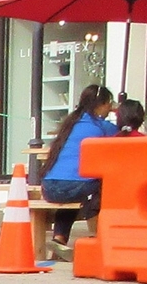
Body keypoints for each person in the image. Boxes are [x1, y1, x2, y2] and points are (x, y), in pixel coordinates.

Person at [38, 84, 116, 257]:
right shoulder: (102, 126)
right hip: (75, 186)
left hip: (50, 187)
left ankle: (59, 239)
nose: (110, 108)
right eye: (109, 104)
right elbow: (122, 136)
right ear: (100, 104)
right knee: (100, 188)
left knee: (73, 197)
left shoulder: (70, 124)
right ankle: (97, 239)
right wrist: (120, 113)